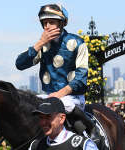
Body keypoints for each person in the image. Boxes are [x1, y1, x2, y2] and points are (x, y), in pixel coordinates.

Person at [15, 3, 98, 140]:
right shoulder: (42, 46)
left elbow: (81, 77)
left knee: (63, 105)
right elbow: (19, 64)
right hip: (48, 96)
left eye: (51, 22)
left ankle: (89, 137)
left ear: (62, 23)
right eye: (44, 23)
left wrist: (59, 94)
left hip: (72, 97)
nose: (46, 26)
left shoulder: (78, 43)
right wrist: (38, 44)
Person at [29, 97, 98, 150]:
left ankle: (94, 131)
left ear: (61, 118)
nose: (43, 122)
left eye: (48, 117)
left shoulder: (82, 145)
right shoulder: (35, 146)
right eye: (41, 117)